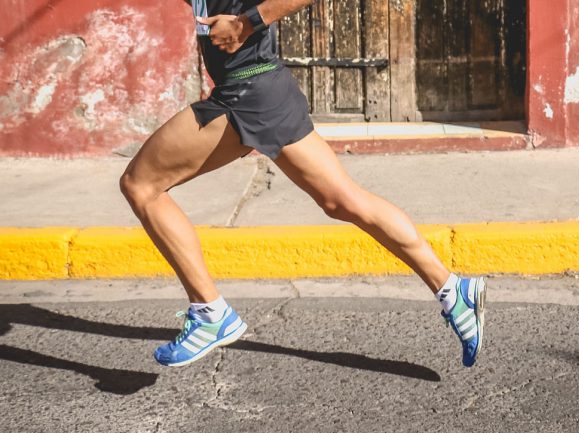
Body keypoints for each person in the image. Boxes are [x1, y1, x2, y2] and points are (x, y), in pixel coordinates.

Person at [119, 0, 486, 368]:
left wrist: (247, 24)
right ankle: (453, 290)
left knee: (141, 185)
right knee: (342, 200)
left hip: (246, 94)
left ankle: (210, 313)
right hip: (266, 89)